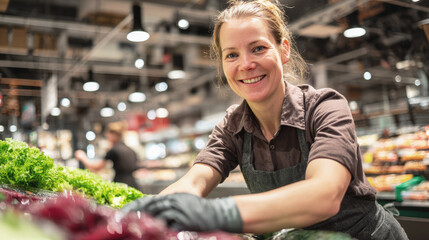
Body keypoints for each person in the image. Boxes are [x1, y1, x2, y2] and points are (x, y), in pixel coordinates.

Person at [121, 0, 409, 239]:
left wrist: (217, 213)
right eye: (231, 54)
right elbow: (195, 181)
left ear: (283, 49)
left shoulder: (324, 107)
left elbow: (325, 194)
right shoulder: (231, 128)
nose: (246, 64)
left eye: (258, 48)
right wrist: (150, 211)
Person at [74, 121, 139, 189]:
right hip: (134, 185)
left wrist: (83, 157)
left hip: (121, 185)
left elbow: (96, 166)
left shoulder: (114, 150)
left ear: (114, 135)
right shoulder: (131, 150)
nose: (107, 138)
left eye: (108, 136)